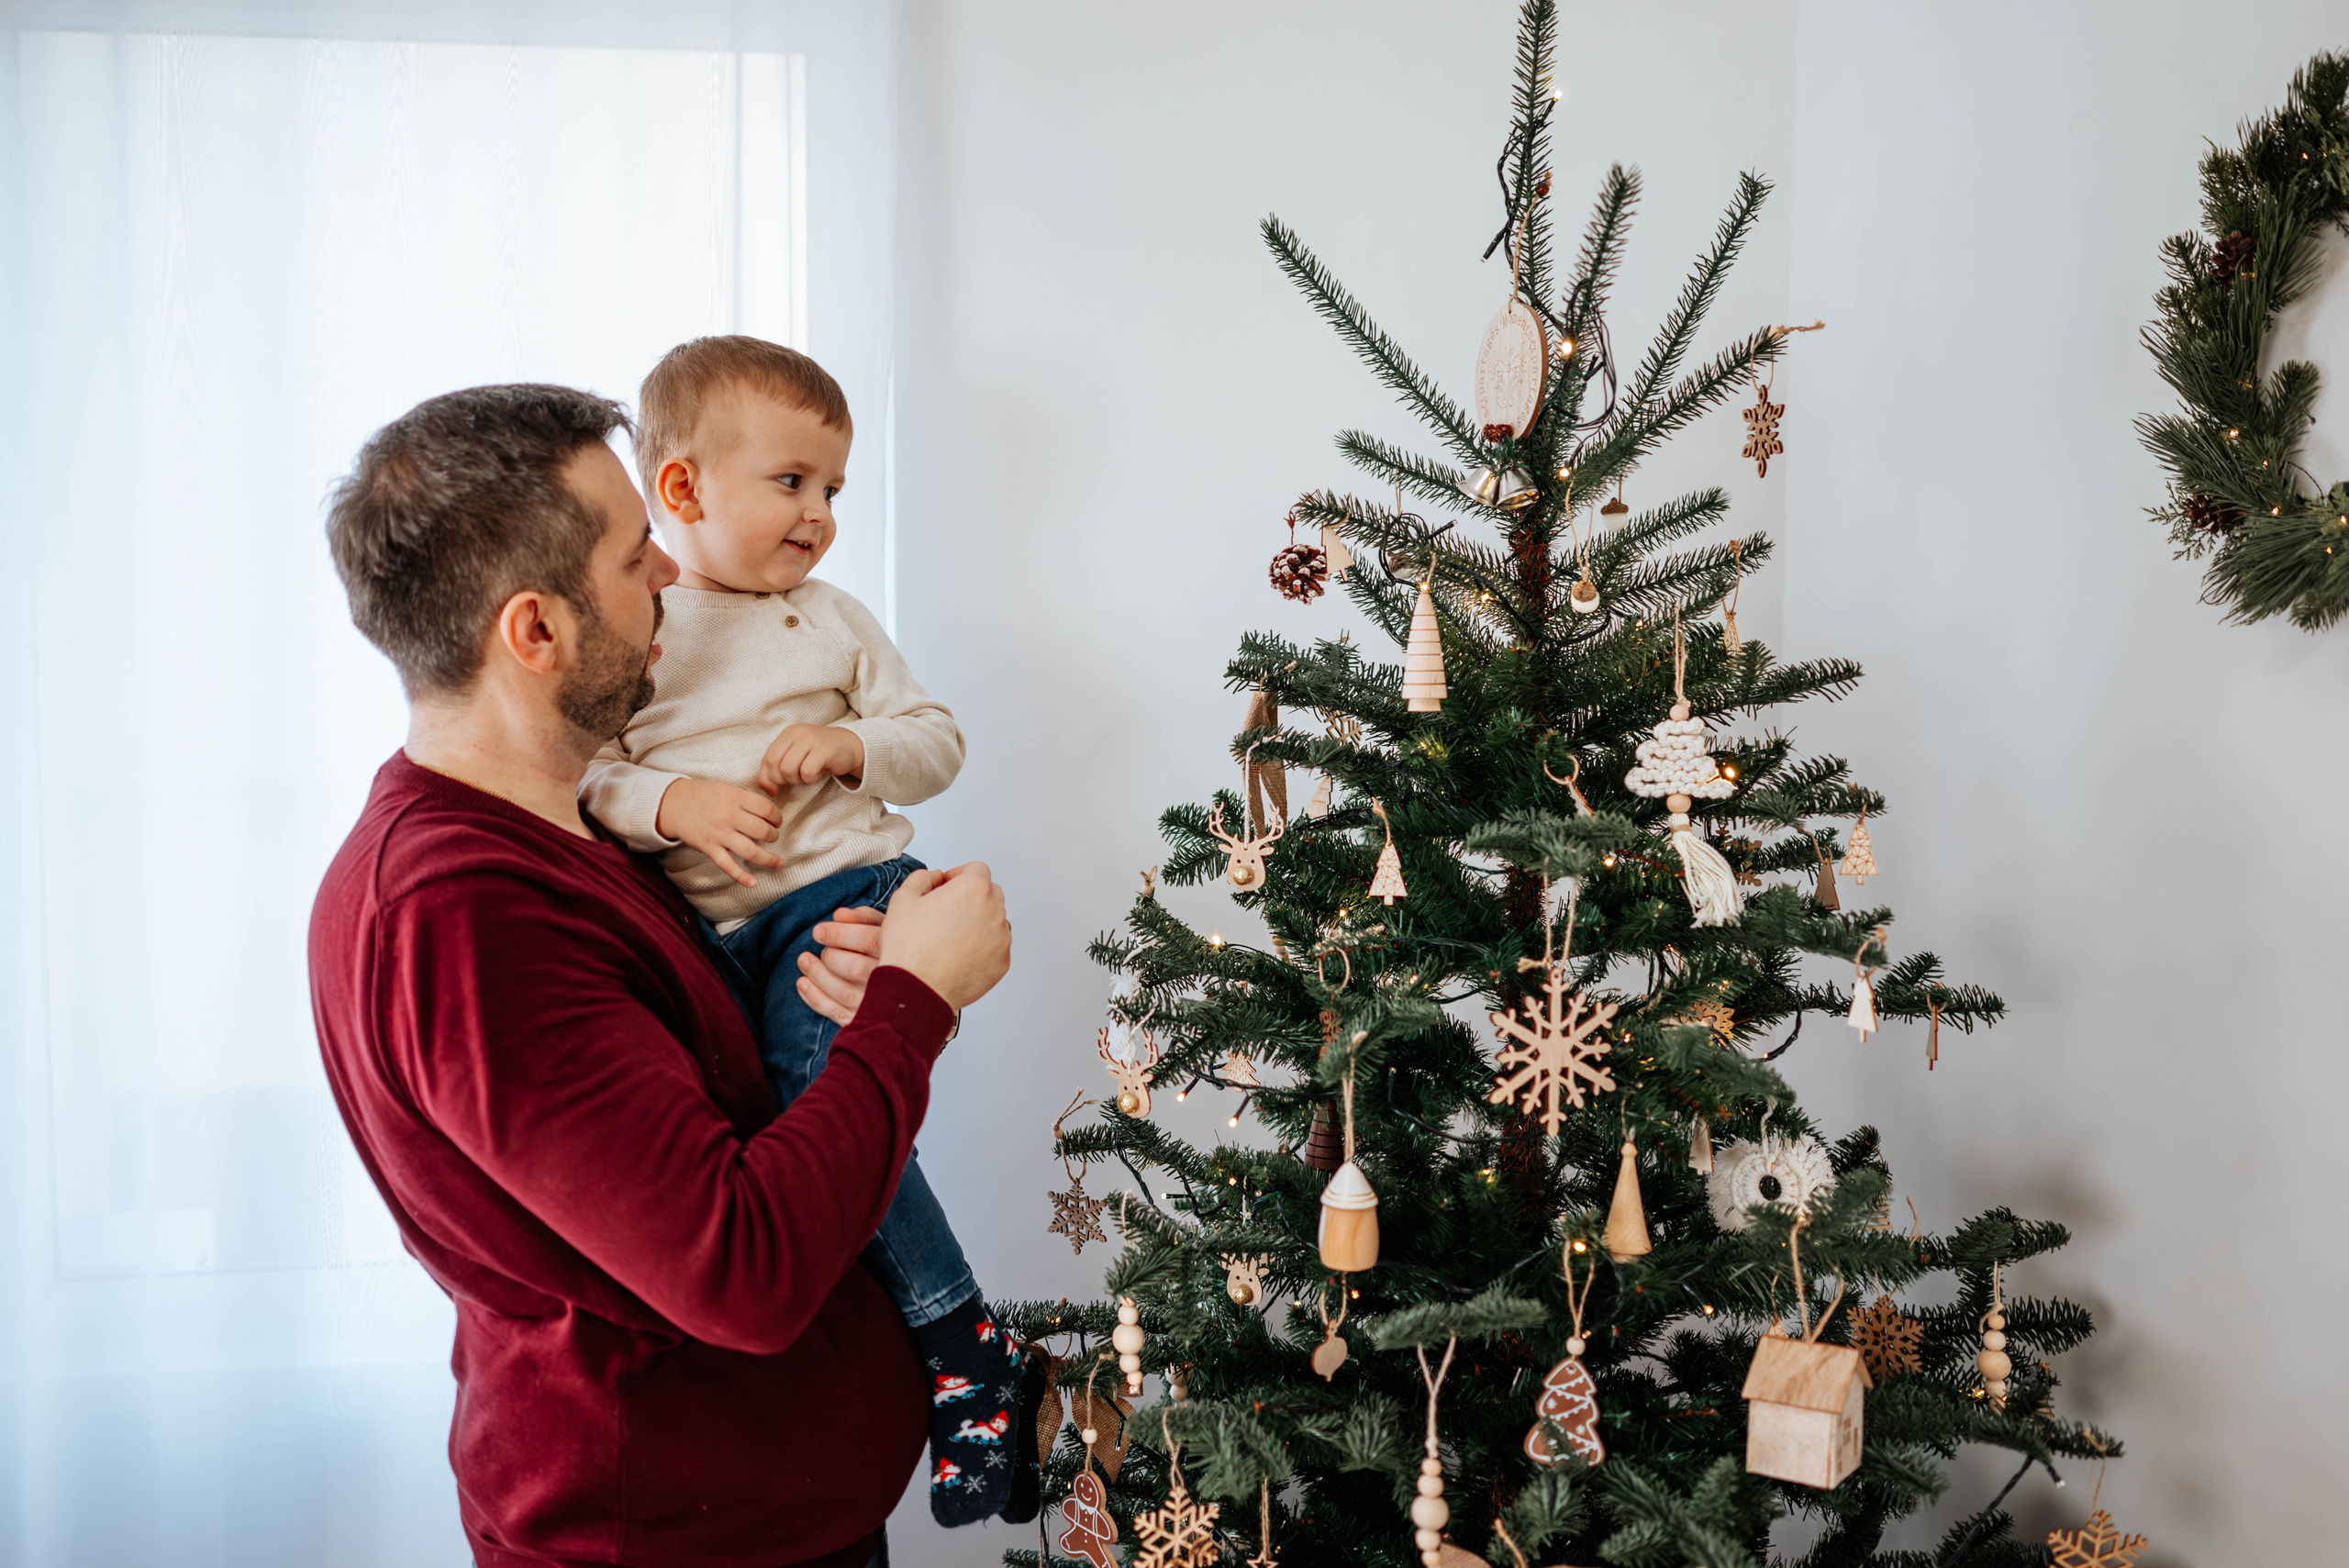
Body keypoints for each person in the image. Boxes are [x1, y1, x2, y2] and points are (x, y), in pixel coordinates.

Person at [307, 384, 1011, 1568]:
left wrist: (846, 988)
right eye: (638, 558)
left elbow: (709, 1105)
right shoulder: (462, 916)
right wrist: (913, 1002)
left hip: (777, 1514)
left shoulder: (582, 834)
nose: (674, 575)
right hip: (676, 1543)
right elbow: (740, 1268)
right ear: (537, 632)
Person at [576, 338, 1031, 1527]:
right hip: (720, 935)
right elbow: (594, 776)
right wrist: (675, 804)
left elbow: (936, 739)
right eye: (793, 482)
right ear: (683, 490)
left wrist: (853, 746)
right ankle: (938, 1354)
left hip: (845, 892)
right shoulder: (639, 629)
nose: (821, 514)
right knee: (781, 1134)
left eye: (834, 487)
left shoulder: (827, 620)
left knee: (819, 1093)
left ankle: (961, 1339)